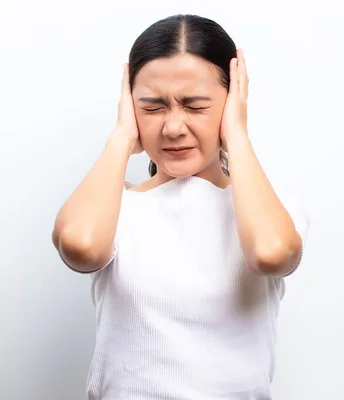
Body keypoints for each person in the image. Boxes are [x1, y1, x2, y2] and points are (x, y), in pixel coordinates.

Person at [52, 14, 309, 400]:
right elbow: (81, 247)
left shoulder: (274, 210)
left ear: (231, 102)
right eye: (153, 107)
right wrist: (122, 136)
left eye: (195, 105)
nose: (173, 127)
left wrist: (236, 134)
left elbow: (271, 254)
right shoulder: (114, 206)